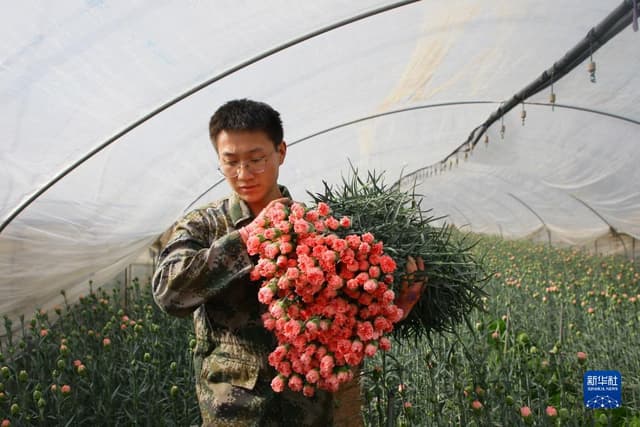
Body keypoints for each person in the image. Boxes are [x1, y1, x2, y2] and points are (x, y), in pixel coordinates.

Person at [152, 99, 424, 426]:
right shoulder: (205, 225)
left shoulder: (321, 228)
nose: (243, 174)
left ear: (281, 152)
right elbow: (168, 293)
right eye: (231, 162)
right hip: (238, 410)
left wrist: (393, 308)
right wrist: (248, 238)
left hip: (310, 408)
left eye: (256, 159)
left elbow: (347, 320)